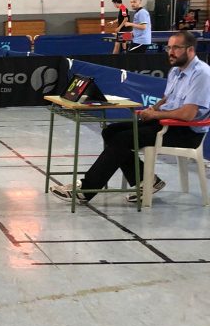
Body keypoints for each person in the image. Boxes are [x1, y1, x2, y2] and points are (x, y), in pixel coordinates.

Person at [51, 30, 210, 205]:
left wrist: (156, 114)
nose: (170, 52)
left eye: (176, 48)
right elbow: (167, 98)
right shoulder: (175, 71)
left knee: (123, 139)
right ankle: (146, 181)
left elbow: (188, 114)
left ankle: (86, 189)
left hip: (186, 132)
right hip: (165, 124)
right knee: (110, 132)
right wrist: (152, 109)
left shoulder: (201, 74)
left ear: (190, 50)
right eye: (169, 48)